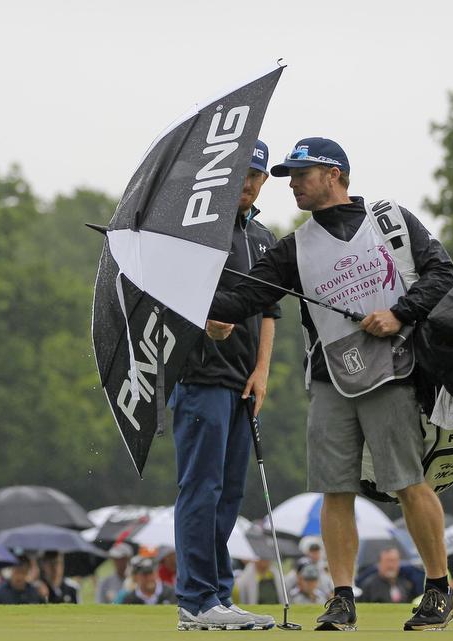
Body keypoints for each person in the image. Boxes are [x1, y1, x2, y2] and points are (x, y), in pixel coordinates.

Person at [208, 138, 453, 632]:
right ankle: (342, 598)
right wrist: (185, 290)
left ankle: (438, 589)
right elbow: (241, 299)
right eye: (289, 176)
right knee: (334, 488)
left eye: (302, 173)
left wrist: (399, 313)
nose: (293, 184)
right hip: (329, 378)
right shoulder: (293, 249)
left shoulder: (390, 219)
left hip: (394, 370)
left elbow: (443, 274)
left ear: (334, 173)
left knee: (408, 483)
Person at [173, 140, 280, 633]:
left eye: (257, 175)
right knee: (202, 488)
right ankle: (195, 600)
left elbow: (270, 310)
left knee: (229, 494)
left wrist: (262, 371)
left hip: (242, 383)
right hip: (200, 377)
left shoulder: (262, 236)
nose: (249, 182)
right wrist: (205, 323)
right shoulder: (198, 232)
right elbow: (172, 293)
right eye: (242, 173)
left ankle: (217, 594)